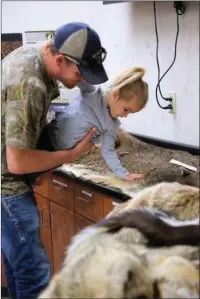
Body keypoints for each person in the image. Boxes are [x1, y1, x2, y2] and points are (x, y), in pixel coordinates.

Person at [1, 22, 108, 299]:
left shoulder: (33, 58)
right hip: (7, 189)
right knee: (35, 275)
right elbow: (17, 163)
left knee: (18, 268)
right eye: (79, 73)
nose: (82, 80)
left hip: (9, 181)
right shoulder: (30, 84)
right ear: (59, 59)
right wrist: (72, 154)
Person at [25, 67, 148, 184]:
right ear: (116, 94)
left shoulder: (111, 125)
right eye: (126, 109)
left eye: (130, 113)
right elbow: (76, 76)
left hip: (60, 156)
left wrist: (123, 174)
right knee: (19, 171)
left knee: (32, 178)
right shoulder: (93, 93)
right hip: (46, 137)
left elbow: (108, 151)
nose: (125, 115)